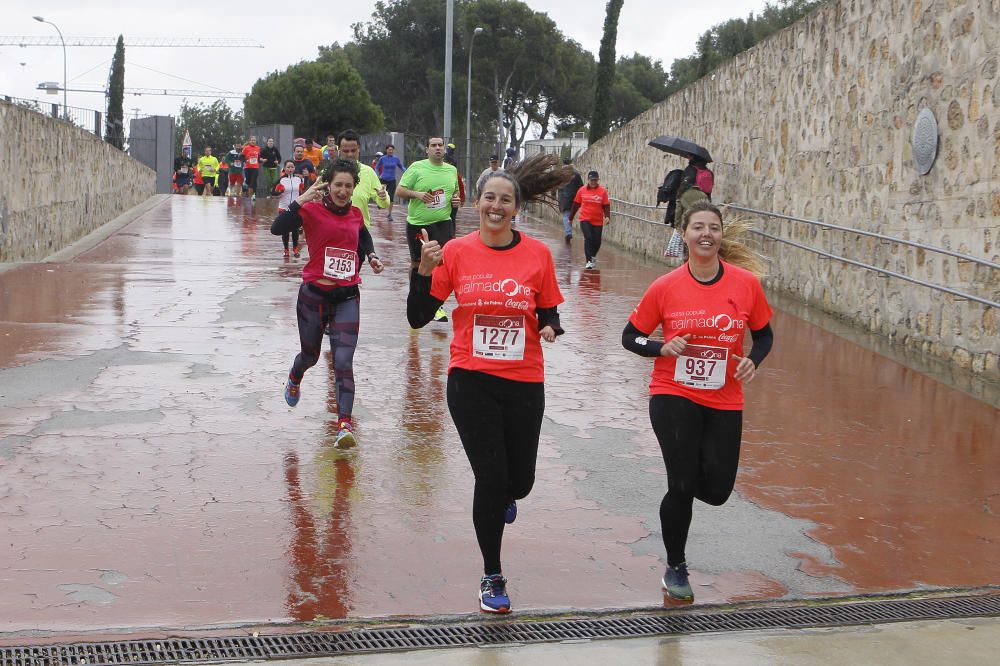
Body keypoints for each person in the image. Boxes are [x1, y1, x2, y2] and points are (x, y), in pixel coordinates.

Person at [407, 153, 573, 614]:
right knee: (492, 476)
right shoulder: (456, 253)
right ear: (476, 203)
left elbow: (550, 309)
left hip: (524, 379)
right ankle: (492, 575)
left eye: (505, 200)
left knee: (520, 483)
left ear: (517, 208)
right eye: (489, 198)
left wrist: (551, 327)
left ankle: (506, 496)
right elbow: (419, 318)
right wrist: (422, 271)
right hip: (470, 380)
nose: (496, 206)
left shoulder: (537, 254)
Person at [621, 199, 773, 604]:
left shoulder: (745, 284)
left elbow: (765, 335)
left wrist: (751, 362)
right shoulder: (665, 287)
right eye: (698, 227)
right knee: (682, 483)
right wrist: (661, 348)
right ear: (684, 235)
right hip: (674, 393)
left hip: (725, 397)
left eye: (713, 228)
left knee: (719, 489)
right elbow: (630, 336)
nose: (706, 233)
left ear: (721, 237)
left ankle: (684, 487)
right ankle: (675, 565)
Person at [270, 160, 385, 447]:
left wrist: (371, 255)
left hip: (346, 296)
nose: (343, 191)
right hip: (314, 296)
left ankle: (344, 425)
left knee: (343, 362)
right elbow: (277, 228)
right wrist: (299, 202)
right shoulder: (311, 210)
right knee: (310, 356)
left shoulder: (356, 214)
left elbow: (362, 235)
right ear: (328, 186)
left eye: (348, 186)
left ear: (353, 187)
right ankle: (295, 377)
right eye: (338, 185)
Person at [396, 136, 462, 323]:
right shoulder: (417, 167)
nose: (438, 148)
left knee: (441, 263)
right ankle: (415, 296)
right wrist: (416, 194)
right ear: (427, 149)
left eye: (440, 145)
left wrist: (456, 200)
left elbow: (454, 193)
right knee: (418, 263)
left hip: (443, 222)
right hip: (418, 223)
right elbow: (399, 191)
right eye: (433, 145)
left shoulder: (451, 170)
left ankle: (437, 305)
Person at [335, 129, 389, 229]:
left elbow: (383, 204)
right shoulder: (329, 173)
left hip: (360, 232)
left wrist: (383, 197)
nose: (350, 154)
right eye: (346, 151)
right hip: (335, 230)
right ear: (339, 150)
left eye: (353, 150)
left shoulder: (368, 172)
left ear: (359, 148)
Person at [569, 170, 610, 269]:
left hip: (597, 220)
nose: (593, 182)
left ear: (597, 180)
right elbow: (575, 205)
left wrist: (607, 216)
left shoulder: (602, 191)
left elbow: (606, 206)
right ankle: (588, 261)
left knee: (597, 242)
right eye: (591, 180)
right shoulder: (582, 190)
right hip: (585, 218)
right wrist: (570, 218)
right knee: (588, 238)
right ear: (588, 180)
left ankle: (592, 256)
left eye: (595, 180)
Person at [273, 160, 305, 257]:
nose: (290, 169)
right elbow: (273, 192)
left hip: (295, 207)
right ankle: (286, 249)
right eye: (288, 167)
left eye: (292, 167)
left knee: (295, 230)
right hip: (283, 208)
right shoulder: (281, 180)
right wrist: (279, 193)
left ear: (294, 168)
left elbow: (301, 192)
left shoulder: (299, 179)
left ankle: (295, 249)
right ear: (285, 168)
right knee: (285, 230)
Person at [674, 157, 713, 227]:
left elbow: (678, 211)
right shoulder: (709, 173)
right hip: (701, 220)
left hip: (686, 223)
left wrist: (677, 225)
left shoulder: (690, 170)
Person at [375, 144, 406, 221]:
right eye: (389, 149)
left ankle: (389, 214)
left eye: (392, 150)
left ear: (393, 151)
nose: (390, 151)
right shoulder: (382, 158)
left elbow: (401, 166)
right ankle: (379, 204)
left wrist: (406, 171)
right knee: (381, 194)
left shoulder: (396, 159)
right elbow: (377, 167)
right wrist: (377, 174)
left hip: (392, 180)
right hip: (383, 179)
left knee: (391, 197)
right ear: (387, 150)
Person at [557, 157, 583, 242]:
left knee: (566, 215)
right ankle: (568, 232)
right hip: (575, 198)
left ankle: (568, 233)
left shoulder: (560, 174)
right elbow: (581, 187)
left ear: (563, 163)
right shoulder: (576, 174)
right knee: (570, 216)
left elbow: (554, 184)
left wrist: (553, 195)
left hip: (564, 198)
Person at [241, 135, 262, 201]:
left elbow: (258, 157)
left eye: (254, 140)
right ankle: (246, 192)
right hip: (247, 167)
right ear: (249, 141)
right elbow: (241, 157)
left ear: (256, 141)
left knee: (253, 182)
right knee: (248, 181)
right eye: (252, 140)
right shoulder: (246, 148)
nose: (253, 141)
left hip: (255, 167)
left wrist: (261, 160)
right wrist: (245, 160)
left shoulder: (258, 148)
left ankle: (251, 197)